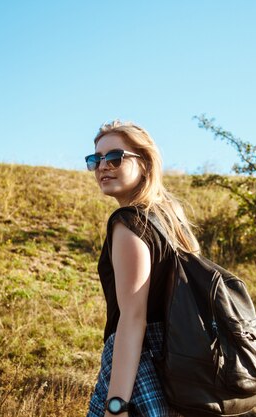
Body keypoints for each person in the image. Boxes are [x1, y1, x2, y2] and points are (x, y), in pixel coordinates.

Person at [85, 120, 197, 416]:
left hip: (137, 364)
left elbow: (133, 319)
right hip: (176, 361)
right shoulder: (170, 217)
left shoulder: (127, 223)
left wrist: (116, 404)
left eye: (114, 157)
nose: (103, 166)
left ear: (145, 163)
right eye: (95, 159)